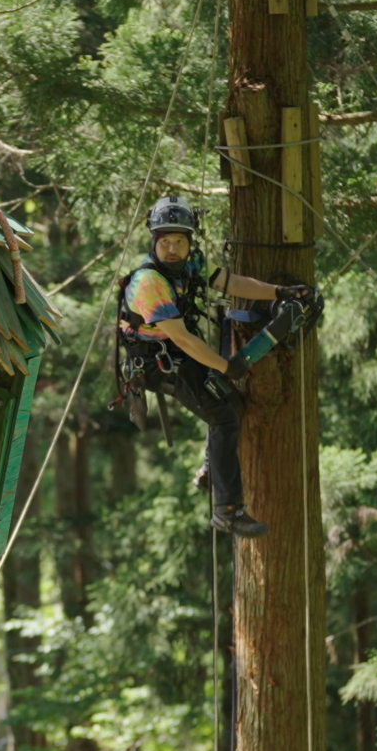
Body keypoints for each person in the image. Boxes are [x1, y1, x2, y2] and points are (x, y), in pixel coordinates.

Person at [115, 196, 319, 538]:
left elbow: (232, 282)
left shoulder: (192, 263)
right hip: (157, 361)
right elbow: (182, 339)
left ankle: (212, 469)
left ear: (190, 241)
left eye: (180, 240)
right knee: (222, 415)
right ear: (154, 242)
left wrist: (280, 291)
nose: (173, 249)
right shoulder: (150, 282)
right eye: (165, 241)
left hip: (176, 352)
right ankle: (227, 511)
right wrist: (226, 366)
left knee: (233, 405)